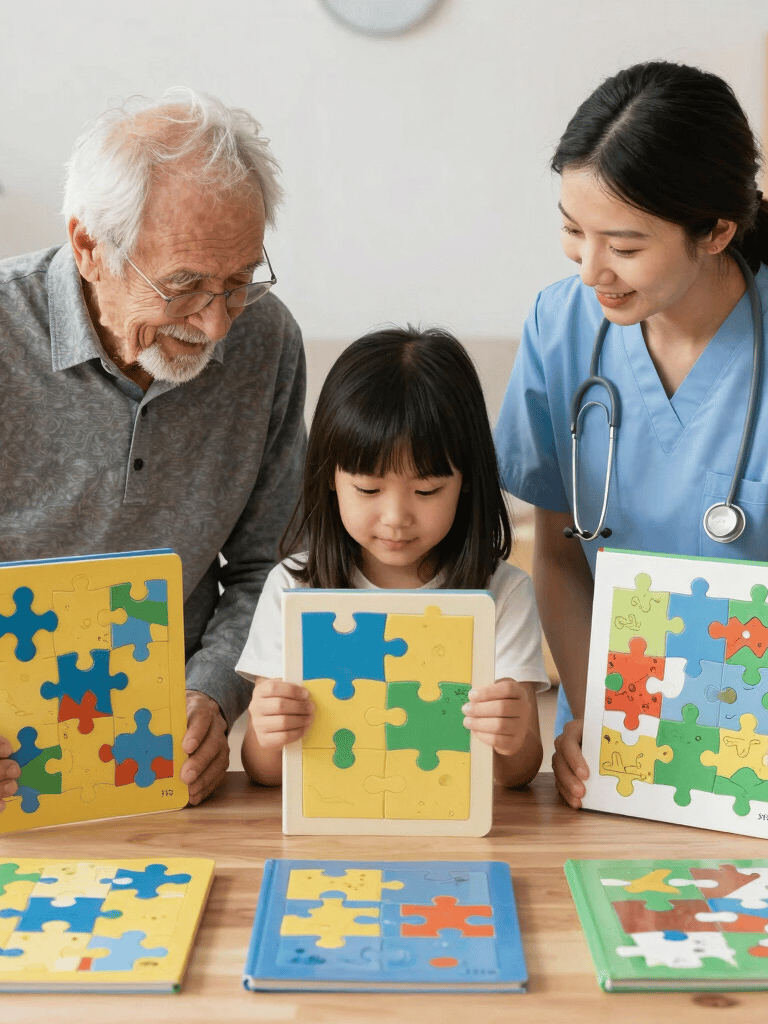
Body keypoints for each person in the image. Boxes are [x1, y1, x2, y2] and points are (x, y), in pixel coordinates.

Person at [0, 89, 306, 811]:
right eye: (184, 286)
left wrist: (214, 695)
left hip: (162, 765)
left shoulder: (267, 342)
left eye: (238, 284)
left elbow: (273, 565)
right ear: (88, 247)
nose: (215, 324)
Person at [493, 61, 768, 807]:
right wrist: (603, 721)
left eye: (623, 244)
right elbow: (556, 552)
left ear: (715, 230)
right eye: (571, 230)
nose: (590, 270)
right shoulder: (561, 328)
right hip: (618, 745)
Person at [236, 326, 549, 788]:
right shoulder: (292, 588)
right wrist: (266, 731)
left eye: (426, 490)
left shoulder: (503, 593)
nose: (396, 517)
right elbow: (263, 774)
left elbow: (517, 774)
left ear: (466, 483)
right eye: (367, 489)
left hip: (452, 828)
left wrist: (512, 734)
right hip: (333, 827)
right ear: (328, 477)